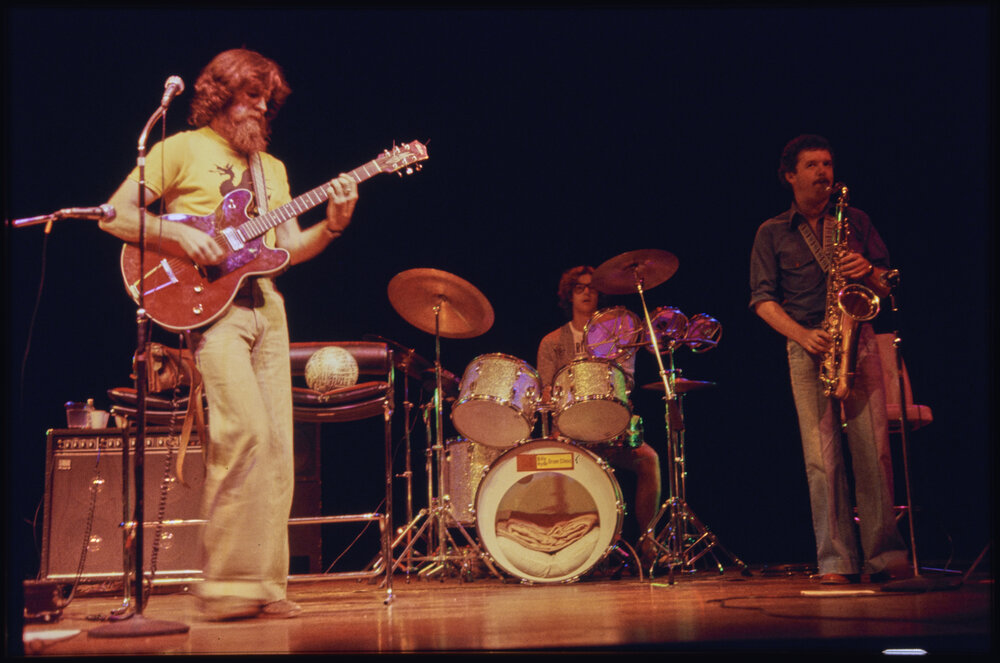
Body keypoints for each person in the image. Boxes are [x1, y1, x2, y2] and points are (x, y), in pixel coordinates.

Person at [100, 49, 359, 620]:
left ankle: (264, 586)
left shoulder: (272, 169)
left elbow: (286, 249)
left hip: (267, 310)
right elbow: (114, 215)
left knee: (276, 450)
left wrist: (333, 227)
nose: (263, 108)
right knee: (241, 434)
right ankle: (223, 585)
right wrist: (178, 234)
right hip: (210, 312)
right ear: (220, 96)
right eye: (251, 95)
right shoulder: (180, 149)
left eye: (268, 99)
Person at [748, 134, 911, 584]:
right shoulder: (772, 232)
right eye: (813, 165)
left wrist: (871, 273)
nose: (824, 172)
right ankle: (835, 561)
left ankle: (886, 558)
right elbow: (762, 300)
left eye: (828, 164)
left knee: (873, 453)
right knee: (822, 461)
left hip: (859, 342)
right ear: (790, 176)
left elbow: (886, 284)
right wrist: (803, 335)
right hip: (808, 347)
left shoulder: (855, 220)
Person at [536, 266, 662, 554]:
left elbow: (626, 382)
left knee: (649, 461)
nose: (586, 292)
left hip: (611, 428)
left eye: (592, 287)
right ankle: (572, 546)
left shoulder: (618, 334)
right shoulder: (552, 341)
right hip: (569, 433)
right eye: (579, 288)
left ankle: (648, 542)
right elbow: (546, 391)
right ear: (569, 295)